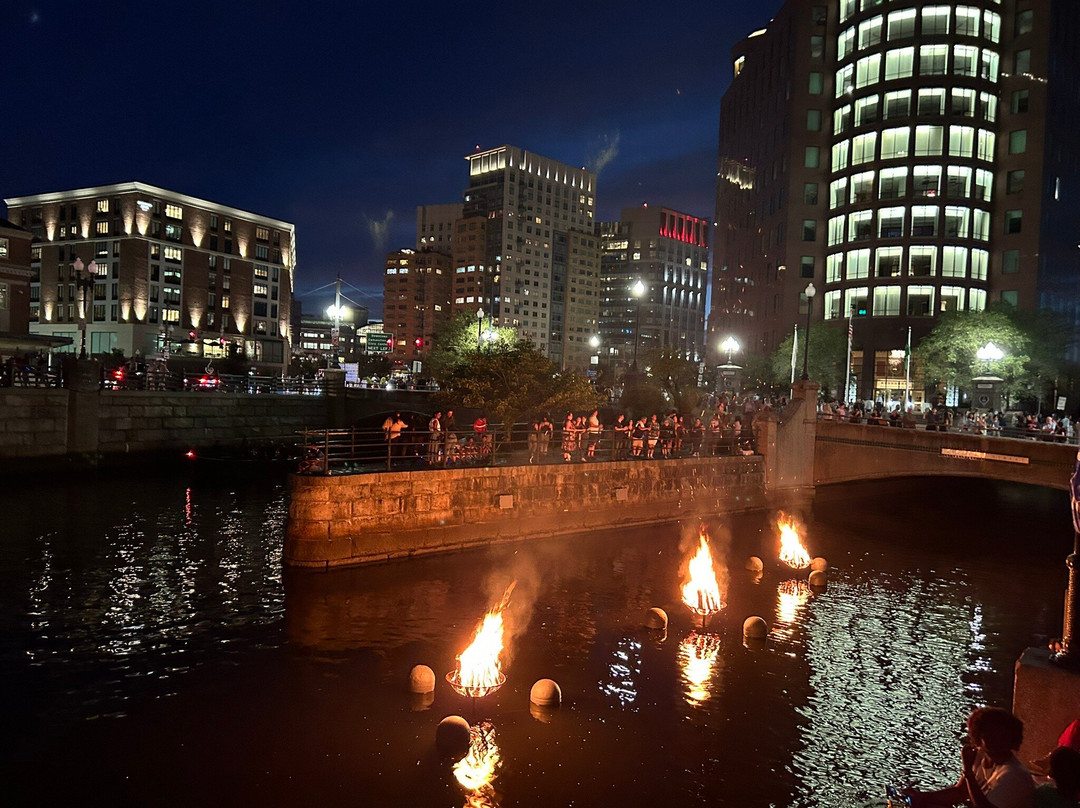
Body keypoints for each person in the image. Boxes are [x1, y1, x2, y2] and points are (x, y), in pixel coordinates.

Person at [904, 706, 1035, 808]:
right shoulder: (979, 755)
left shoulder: (1013, 775)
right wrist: (920, 797)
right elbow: (960, 793)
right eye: (989, 736)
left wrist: (968, 772)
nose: (995, 741)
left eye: (1001, 736)